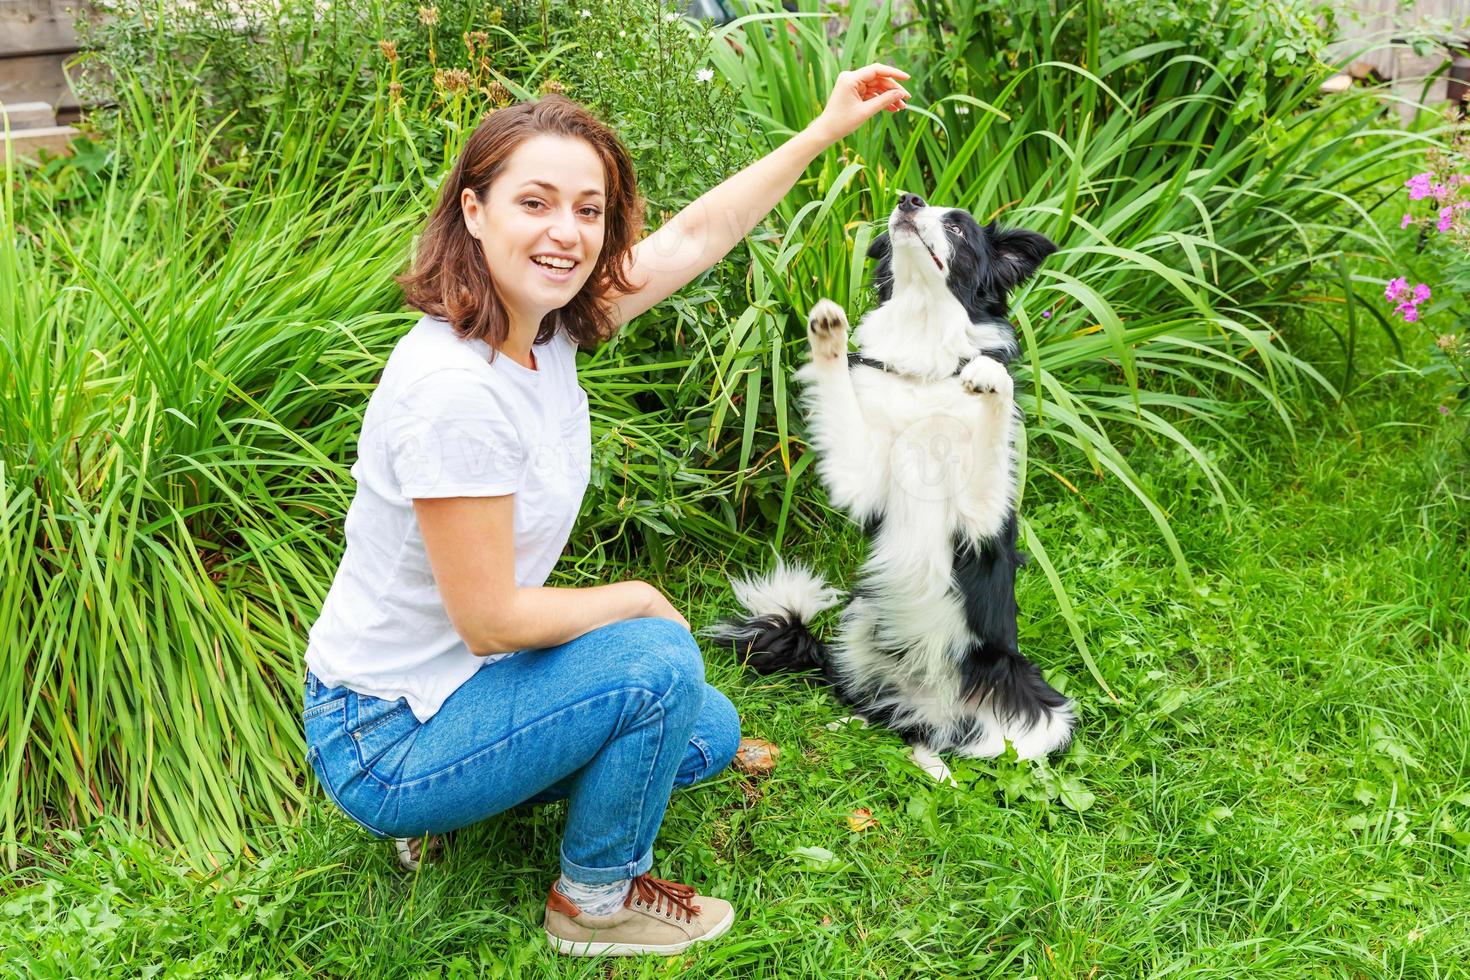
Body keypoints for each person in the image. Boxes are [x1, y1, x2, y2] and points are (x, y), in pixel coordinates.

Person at [301, 63, 910, 957]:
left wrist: (822, 130)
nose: (567, 232)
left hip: (459, 692)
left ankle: (480, 790)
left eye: (588, 210)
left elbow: (697, 235)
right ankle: (593, 899)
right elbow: (491, 619)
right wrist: (635, 599)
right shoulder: (452, 391)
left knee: (704, 732)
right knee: (657, 658)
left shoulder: (539, 328)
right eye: (536, 202)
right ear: (474, 212)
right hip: (383, 735)